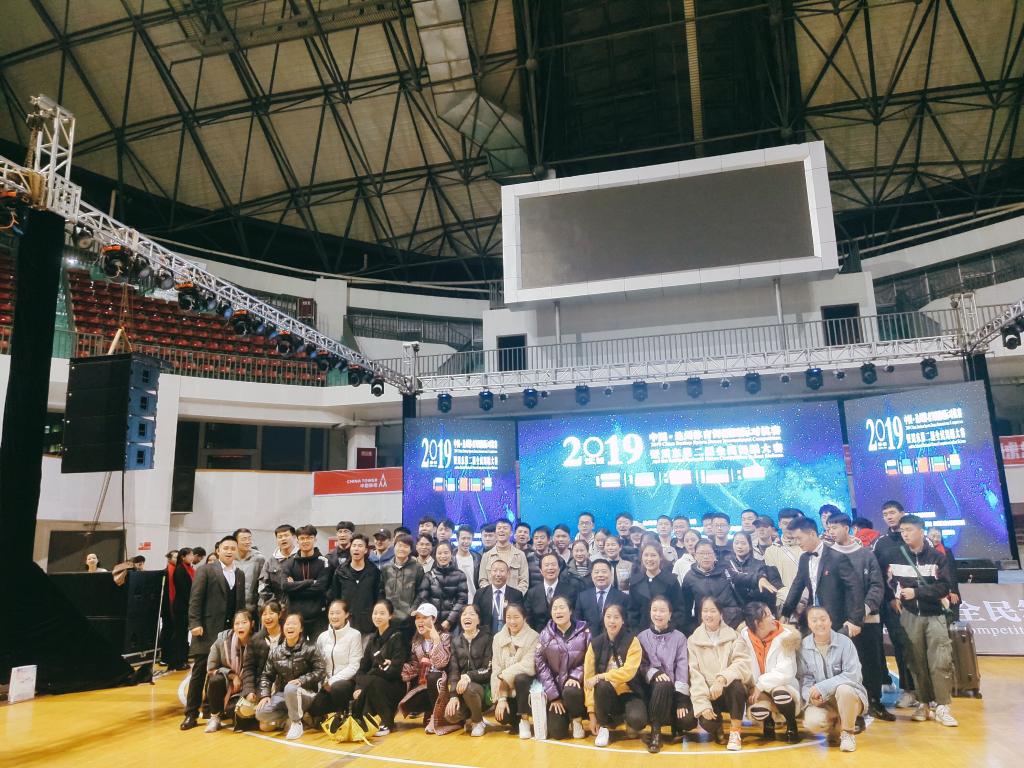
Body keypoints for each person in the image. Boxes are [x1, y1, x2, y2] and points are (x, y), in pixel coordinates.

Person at [890, 514, 958, 726]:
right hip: (910, 616)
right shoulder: (896, 556)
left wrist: (917, 593)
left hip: (934, 615)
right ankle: (923, 703)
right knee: (915, 662)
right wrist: (894, 596)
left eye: (909, 530)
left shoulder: (937, 557)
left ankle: (943, 705)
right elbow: (889, 582)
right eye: (902, 530)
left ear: (921, 531)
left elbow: (944, 587)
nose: (905, 534)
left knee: (940, 661)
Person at [827, 513, 892, 721]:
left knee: (871, 662)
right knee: (841, 665)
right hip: (838, 621)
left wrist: (862, 611)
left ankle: (874, 701)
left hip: (867, 619)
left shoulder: (866, 554)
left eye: (835, 527)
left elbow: (877, 585)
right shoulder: (827, 556)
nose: (831, 532)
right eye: (829, 528)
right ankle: (847, 707)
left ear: (847, 528)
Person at [182, 535, 247, 730]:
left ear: (237, 551)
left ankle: (210, 709)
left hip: (229, 633)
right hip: (207, 629)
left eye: (233, 548)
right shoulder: (206, 570)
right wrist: (194, 623)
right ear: (218, 550)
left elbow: (240, 604)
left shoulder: (240, 574)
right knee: (199, 672)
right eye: (226, 548)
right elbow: (195, 599)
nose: (229, 551)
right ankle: (191, 714)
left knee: (220, 673)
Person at [799, 606, 867, 752]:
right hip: (824, 701)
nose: (819, 623)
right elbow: (805, 679)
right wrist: (810, 697)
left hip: (851, 697)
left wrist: (822, 688)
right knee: (812, 722)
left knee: (844, 690)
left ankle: (848, 733)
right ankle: (835, 729)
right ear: (809, 624)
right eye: (814, 620)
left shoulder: (845, 643)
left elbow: (852, 675)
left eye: (823, 619)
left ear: (830, 621)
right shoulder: (804, 646)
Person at [687, 596, 751, 751]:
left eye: (713, 611)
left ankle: (735, 732)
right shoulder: (693, 641)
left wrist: (722, 679)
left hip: (728, 691)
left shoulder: (734, 636)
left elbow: (742, 663)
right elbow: (694, 675)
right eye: (705, 611)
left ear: (721, 613)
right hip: (709, 693)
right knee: (707, 723)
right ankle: (717, 727)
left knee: (736, 686)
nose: (708, 615)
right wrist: (703, 704)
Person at [781, 518, 864, 635]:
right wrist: (786, 612)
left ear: (812, 534)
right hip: (812, 617)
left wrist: (855, 620)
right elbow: (797, 586)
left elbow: (855, 588)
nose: (797, 542)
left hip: (836, 619)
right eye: (794, 539)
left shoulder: (837, 557)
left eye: (799, 538)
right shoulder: (804, 558)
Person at [638, 596, 698, 753]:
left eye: (662, 611)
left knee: (688, 721)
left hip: (674, 692)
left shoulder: (680, 638)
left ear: (670, 614)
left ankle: (675, 724)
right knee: (662, 684)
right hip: (652, 691)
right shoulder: (642, 637)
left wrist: (681, 700)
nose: (658, 614)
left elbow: (682, 668)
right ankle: (656, 732)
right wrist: (654, 673)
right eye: (654, 610)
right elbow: (641, 665)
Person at [737, 601, 802, 743]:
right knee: (758, 710)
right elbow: (741, 664)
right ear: (758, 623)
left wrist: (760, 685)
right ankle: (768, 723)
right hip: (755, 687)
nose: (773, 617)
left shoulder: (786, 636)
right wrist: (753, 687)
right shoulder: (743, 636)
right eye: (767, 615)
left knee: (780, 694)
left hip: (781, 684)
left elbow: (786, 671)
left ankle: (791, 724)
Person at [872, 500, 916, 706]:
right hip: (891, 604)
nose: (889, 517)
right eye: (885, 514)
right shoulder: (881, 543)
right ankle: (906, 690)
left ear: (902, 513)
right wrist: (890, 598)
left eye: (892, 512)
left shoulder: (917, 539)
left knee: (915, 646)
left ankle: (922, 692)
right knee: (899, 644)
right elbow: (877, 574)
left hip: (918, 602)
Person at [255, 613, 325, 740]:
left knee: (290, 688)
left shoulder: (311, 647)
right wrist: (265, 695)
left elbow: (320, 671)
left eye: (294, 624)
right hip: (283, 695)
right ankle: (296, 718)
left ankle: (296, 723)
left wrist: (302, 680)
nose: (290, 627)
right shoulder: (276, 652)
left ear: (301, 628)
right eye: (287, 624)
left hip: (306, 693)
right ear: (283, 627)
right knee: (261, 712)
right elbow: (266, 675)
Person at [584, 603, 645, 748]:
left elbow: (628, 672)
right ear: (603, 619)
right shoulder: (595, 644)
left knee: (638, 720)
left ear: (623, 620)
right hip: (606, 695)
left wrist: (601, 676)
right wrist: (592, 714)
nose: (612, 621)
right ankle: (604, 727)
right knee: (601, 685)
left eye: (616, 617)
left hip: (629, 692)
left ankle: (627, 720)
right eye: (608, 617)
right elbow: (588, 679)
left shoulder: (633, 642)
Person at [535, 595, 590, 740]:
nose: (558, 611)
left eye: (562, 607)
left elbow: (590, 660)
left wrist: (575, 676)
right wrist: (554, 697)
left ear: (570, 611)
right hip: (556, 690)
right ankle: (564, 718)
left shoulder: (585, 633)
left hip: (577, 689)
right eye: (554, 608)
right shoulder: (545, 635)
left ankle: (577, 720)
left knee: (571, 689)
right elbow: (541, 666)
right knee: (557, 733)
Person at [352, 599, 409, 735]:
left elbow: (395, 670)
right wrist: (359, 687)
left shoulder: (397, 637)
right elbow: (361, 669)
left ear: (390, 616)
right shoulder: (372, 639)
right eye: (375, 613)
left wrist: (372, 674)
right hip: (373, 683)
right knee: (369, 685)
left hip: (395, 685)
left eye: (382, 613)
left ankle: (387, 723)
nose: (377, 616)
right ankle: (363, 721)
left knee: (373, 682)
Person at [398, 604, 457, 735]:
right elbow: (414, 666)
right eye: (418, 618)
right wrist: (398, 669)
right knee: (408, 702)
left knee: (434, 676)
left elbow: (442, 663)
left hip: (444, 685)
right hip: (425, 685)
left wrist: (436, 641)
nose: (420, 621)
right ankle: (430, 712)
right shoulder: (417, 642)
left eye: (424, 618)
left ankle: (439, 718)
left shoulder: (445, 637)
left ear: (434, 619)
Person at [308, 599, 363, 722]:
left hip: (347, 683)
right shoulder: (322, 637)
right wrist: (323, 683)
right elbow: (318, 664)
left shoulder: (355, 635)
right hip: (326, 684)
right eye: (331, 613)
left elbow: (354, 666)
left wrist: (332, 681)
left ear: (346, 614)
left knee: (338, 688)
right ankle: (332, 714)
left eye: (338, 613)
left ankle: (343, 715)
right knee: (314, 709)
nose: (334, 616)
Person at [491, 602, 540, 739]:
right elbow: (496, 668)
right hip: (505, 689)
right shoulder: (497, 638)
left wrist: (504, 675)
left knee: (521, 678)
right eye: (508, 617)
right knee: (502, 717)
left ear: (524, 618)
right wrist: (500, 698)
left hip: (526, 687)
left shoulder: (534, 636)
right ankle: (514, 719)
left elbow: (529, 665)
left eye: (516, 617)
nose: (512, 621)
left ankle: (525, 721)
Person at [444, 604, 493, 735]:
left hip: (482, 689)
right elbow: (454, 671)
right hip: (461, 689)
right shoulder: (455, 641)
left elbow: (488, 669)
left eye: (471, 614)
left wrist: (468, 676)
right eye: (464, 614)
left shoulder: (487, 638)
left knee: (468, 688)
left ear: (478, 620)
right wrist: (453, 696)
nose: (467, 617)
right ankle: (470, 718)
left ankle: (478, 722)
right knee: (451, 715)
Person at [679, 540, 745, 634]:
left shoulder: (725, 570)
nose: (705, 557)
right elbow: (686, 608)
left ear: (715, 555)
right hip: (706, 624)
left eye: (709, 553)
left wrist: (759, 578)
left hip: (732, 621)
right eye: (701, 553)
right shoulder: (690, 577)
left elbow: (743, 578)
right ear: (695, 556)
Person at [204, 610, 254, 732]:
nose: (240, 626)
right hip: (226, 684)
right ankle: (215, 716)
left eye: (244, 622)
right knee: (215, 680)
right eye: (237, 623)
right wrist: (232, 675)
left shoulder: (257, 642)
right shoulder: (222, 641)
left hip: (247, 686)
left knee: (236, 714)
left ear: (252, 624)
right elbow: (211, 668)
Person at [283, 525, 331, 639]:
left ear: (315, 539)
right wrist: (310, 582)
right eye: (302, 538)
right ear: (297, 541)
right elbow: (285, 586)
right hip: (295, 616)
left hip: (318, 617)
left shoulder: (324, 562)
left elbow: (320, 588)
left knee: (319, 648)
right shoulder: (289, 563)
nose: (305, 541)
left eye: (309, 538)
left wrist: (295, 587)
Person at [329, 533, 381, 636]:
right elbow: (335, 597)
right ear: (350, 548)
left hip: (368, 624)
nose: (356, 549)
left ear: (366, 550)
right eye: (354, 546)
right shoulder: (340, 572)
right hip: (346, 623)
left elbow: (378, 597)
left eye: (360, 546)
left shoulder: (374, 571)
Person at [243, 601, 285, 730]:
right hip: (262, 686)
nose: (268, 617)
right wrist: (250, 691)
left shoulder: (288, 635)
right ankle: (278, 717)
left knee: (265, 726)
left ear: (279, 615)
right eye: (264, 614)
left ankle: (286, 716)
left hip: (283, 687)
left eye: (271, 613)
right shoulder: (255, 639)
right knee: (244, 709)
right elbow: (248, 668)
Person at [381, 533, 430, 634]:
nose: (402, 549)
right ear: (394, 547)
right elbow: (381, 591)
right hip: (388, 618)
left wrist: (412, 610)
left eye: (406, 546)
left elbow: (421, 592)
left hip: (409, 619)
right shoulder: (385, 568)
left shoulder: (417, 568)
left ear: (411, 549)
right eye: (399, 545)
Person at [628, 543, 681, 632]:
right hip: (642, 632)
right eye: (646, 555)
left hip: (667, 632)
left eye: (653, 555)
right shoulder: (635, 582)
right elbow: (632, 612)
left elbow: (678, 610)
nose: (649, 559)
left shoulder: (671, 581)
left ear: (660, 557)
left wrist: (670, 629)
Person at [525, 552, 582, 631]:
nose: (550, 568)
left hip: (564, 634)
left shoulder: (570, 591)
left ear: (559, 569)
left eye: (553, 564)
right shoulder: (532, 593)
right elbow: (529, 618)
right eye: (547, 565)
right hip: (538, 635)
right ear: (541, 570)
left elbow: (575, 616)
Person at [763, 509, 804, 612]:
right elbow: (774, 581)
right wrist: (794, 602)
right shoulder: (771, 551)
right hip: (785, 604)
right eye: (785, 523)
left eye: (792, 523)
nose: (789, 527)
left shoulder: (807, 546)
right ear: (779, 524)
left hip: (809, 603)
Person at [725, 531, 781, 606]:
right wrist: (759, 579)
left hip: (755, 607)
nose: (739, 546)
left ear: (750, 546)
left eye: (743, 543)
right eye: (736, 543)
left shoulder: (759, 564)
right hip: (734, 607)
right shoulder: (727, 564)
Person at [574, 559, 627, 635]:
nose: (600, 575)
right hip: (589, 639)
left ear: (611, 574)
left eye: (604, 571)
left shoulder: (623, 597)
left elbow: (627, 623)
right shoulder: (582, 597)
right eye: (596, 572)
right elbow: (578, 621)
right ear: (591, 575)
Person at [473, 559, 525, 634]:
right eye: (495, 570)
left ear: (508, 573)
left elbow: (520, 618)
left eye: (502, 571)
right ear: (490, 573)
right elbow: (475, 617)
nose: (498, 574)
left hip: (509, 635)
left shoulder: (516, 595)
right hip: (485, 636)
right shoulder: (480, 594)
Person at [427, 541, 468, 632]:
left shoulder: (460, 575)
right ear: (435, 555)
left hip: (453, 625)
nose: (443, 556)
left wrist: (449, 621)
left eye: (446, 553)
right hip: (433, 623)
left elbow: (462, 600)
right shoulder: (428, 576)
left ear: (451, 554)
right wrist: (431, 619)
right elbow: (423, 599)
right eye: (439, 553)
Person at [479, 520, 529, 593]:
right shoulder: (486, 556)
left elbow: (524, 581)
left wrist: (515, 596)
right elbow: (483, 580)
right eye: (499, 528)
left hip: (513, 599)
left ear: (511, 533)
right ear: (495, 532)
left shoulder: (520, 555)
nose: (501, 530)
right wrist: (492, 595)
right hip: (492, 598)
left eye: (505, 528)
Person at [165, 546, 194, 671]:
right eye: (190, 555)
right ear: (183, 557)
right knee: (179, 635)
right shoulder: (180, 570)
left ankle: (182, 659)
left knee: (183, 635)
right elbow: (184, 590)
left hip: (185, 606)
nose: (192, 557)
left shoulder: (189, 569)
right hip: (181, 606)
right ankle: (175, 662)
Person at [259, 524, 297, 608]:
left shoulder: (301, 557)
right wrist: (276, 604)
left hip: (300, 605)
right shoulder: (270, 562)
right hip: (277, 607)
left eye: (286, 535)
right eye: (280, 537)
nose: (283, 539)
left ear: (294, 537)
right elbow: (263, 586)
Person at [233, 528, 265, 618]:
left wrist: (260, 604)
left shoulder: (259, 558)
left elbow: (263, 583)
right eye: (244, 539)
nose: (247, 542)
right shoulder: (230, 558)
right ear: (235, 542)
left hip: (252, 607)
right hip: (232, 607)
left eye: (249, 538)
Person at [455, 526, 481, 602]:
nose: (466, 541)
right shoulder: (451, 558)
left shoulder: (477, 558)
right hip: (456, 602)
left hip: (475, 602)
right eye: (463, 538)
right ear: (457, 539)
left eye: (469, 538)